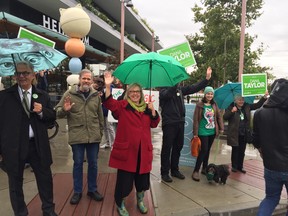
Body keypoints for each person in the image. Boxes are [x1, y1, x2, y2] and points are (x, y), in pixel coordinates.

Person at [0, 61, 57, 216]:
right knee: (15, 182)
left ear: (33, 75)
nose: (22, 76)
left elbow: (52, 119)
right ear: (14, 76)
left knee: (45, 179)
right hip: (13, 146)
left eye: (26, 73)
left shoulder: (42, 95)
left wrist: (42, 111)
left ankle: (48, 210)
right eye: (19, 73)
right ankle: (20, 212)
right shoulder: (4, 96)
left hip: (37, 145)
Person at [102, 71, 160, 216]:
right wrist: (108, 86)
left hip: (143, 152)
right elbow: (109, 103)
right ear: (128, 93)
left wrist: (153, 111)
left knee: (142, 181)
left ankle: (140, 200)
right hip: (127, 152)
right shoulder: (123, 106)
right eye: (132, 92)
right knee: (124, 182)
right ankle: (120, 203)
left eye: (137, 92)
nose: (134, 94)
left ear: (141, 93)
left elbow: (154, 124)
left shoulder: (147, 108)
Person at [55, 69, 104, 205]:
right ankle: (77, 191)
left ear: (92, 81)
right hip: (77, 136)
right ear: (80, 80)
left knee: (93, 164)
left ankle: (92, 189)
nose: (86, 81)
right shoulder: (69, 94)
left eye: (89, 79)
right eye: (84, 78)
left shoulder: (96, 96)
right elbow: (57, 112)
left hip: (93, 136)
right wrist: (65, 110)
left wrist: (100, 133)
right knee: (77, 164)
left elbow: (100, 116)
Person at [159, 67, 212, 183]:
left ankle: (174, 169)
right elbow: (168, 94)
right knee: (167, 148)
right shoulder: (163, 90)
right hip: (169, 123)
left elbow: (193, 88)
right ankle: (164, 172)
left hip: (180, 122)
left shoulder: (179, 89)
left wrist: (206, 79)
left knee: (178, 146)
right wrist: (174, 85)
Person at [252, 78, 288, 216]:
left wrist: (262, 151)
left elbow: (255, 139)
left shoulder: (260, 113)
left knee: (271, 198)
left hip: (270, 165)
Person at [223, 92, 268, 174]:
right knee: (235, 150)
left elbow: (257, 105)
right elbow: (225, 117)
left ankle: (240, 166)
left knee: (242, 151)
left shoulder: (247, 106)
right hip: (235, 133)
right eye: (239, 100)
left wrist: (264, 97)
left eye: (242, 100)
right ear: (235, 100)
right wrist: (232, 111)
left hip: (244, 133)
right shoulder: (231, 107)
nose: (241, 101)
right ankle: (234, 166)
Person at [191, 86, 224, 181]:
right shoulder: (200, 105)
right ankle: (196, 171)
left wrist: (221, 128)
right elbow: (196, 120)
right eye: (208, 93)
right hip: (202, 131)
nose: (210, 95)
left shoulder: (214, 105)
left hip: (212, 131)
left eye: (211, 94)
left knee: (208, 150)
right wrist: (195, 133)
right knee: (203, 150)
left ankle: (205, 168)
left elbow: (218, 117)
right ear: (205, 94)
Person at [93, 74, 116, 149]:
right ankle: (107, 143)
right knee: (105, 127)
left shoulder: (111, 88)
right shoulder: (101, 89)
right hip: (103, 110)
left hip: (109, 111)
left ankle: (113, 144)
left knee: (110, 127)